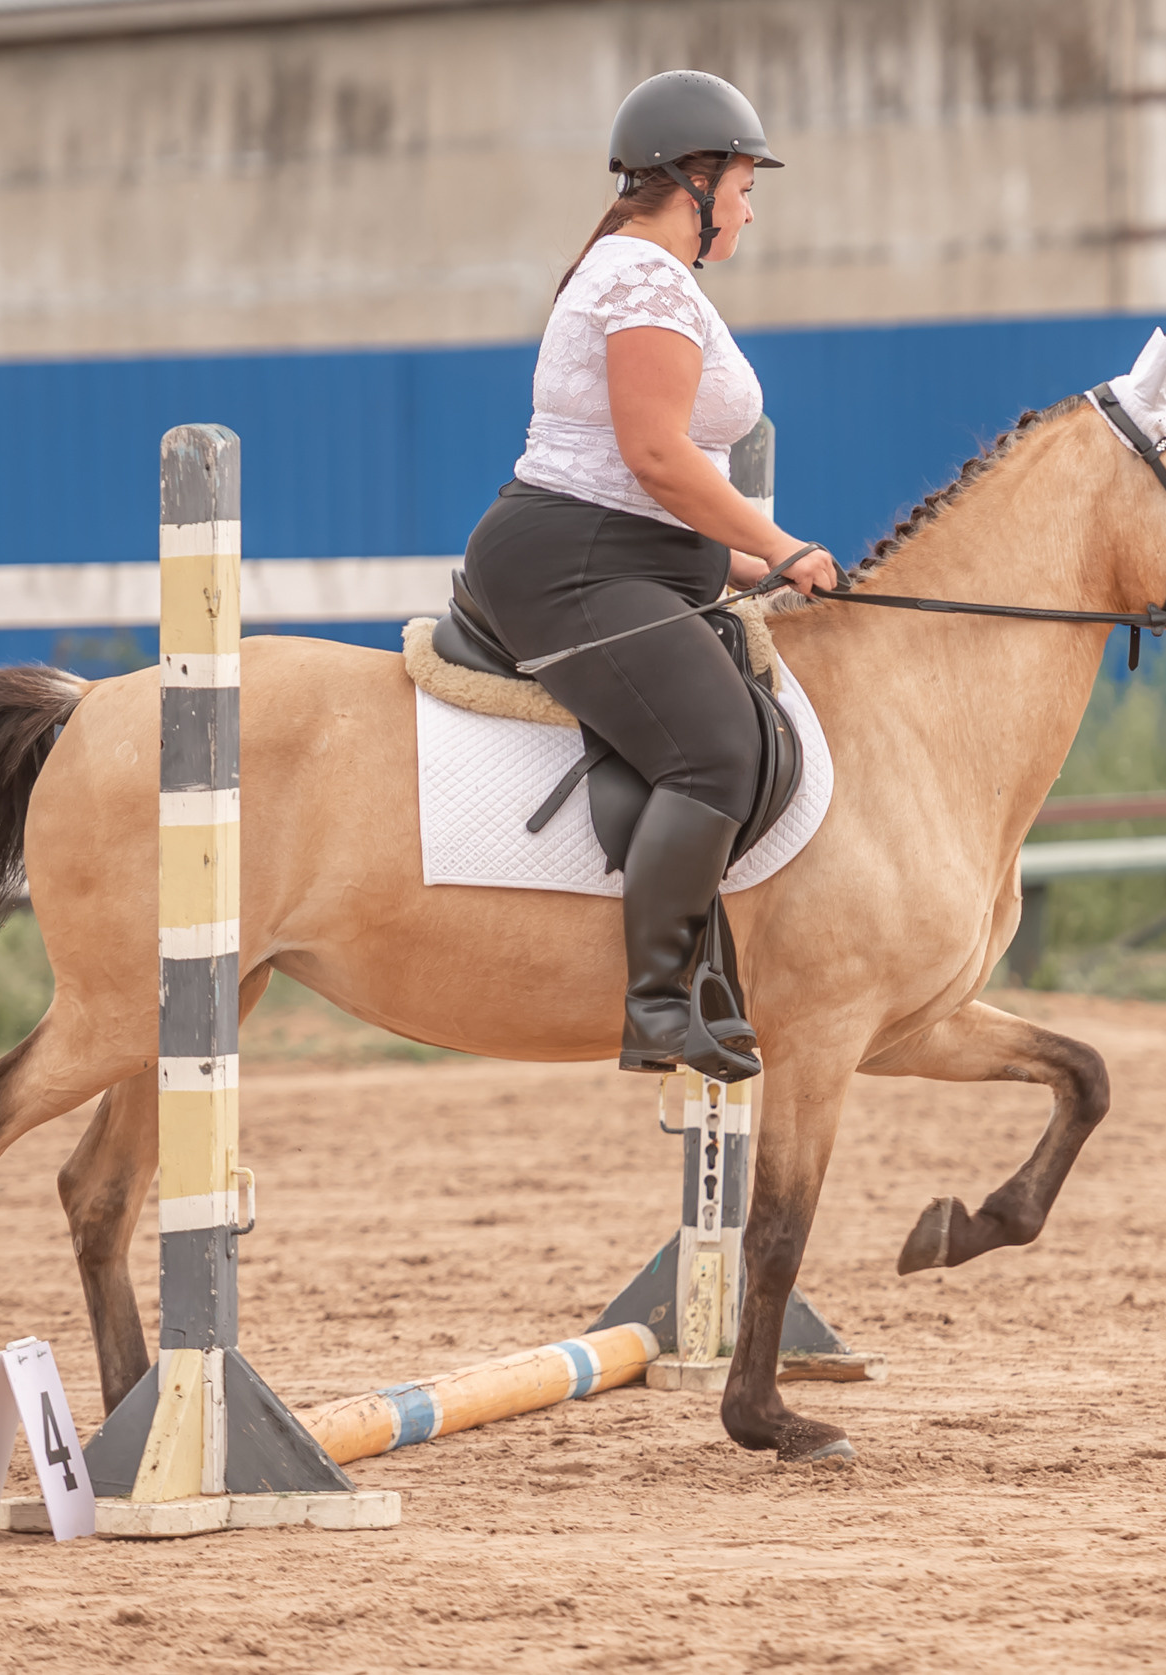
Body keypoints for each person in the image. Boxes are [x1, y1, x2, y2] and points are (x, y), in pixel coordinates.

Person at [461, 69, 837, 1079]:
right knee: (715, 751)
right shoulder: (641, 277)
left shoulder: (655, 277)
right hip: (576, 564)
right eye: (747, 189)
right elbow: (658, 458)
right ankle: (659, 1003)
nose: (750, 213)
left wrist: (756, 558)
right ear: (697, 181)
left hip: (627, 555)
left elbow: (667, 482)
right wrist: (786, 543)